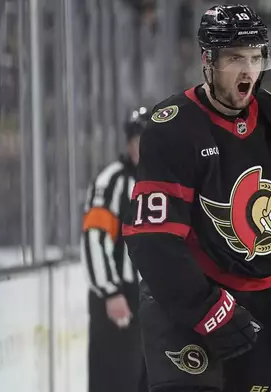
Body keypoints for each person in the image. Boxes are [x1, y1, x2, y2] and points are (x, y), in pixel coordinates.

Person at [122, 4, 271, 392]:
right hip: (184, 310)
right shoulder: (172, 126)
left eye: (256, 57)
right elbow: (151, 240)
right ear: (208, 61)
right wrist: (206, 309)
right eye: (236, 58)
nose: (249, 70)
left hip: (260, 309)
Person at [81, 107, 150, 392]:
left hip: (155, 303)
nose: (141, 147)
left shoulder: (171, 181)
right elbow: (95, 237)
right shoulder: (111, 181)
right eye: (136, 139)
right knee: (115, 380)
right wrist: (109, 291)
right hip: (120, 298)